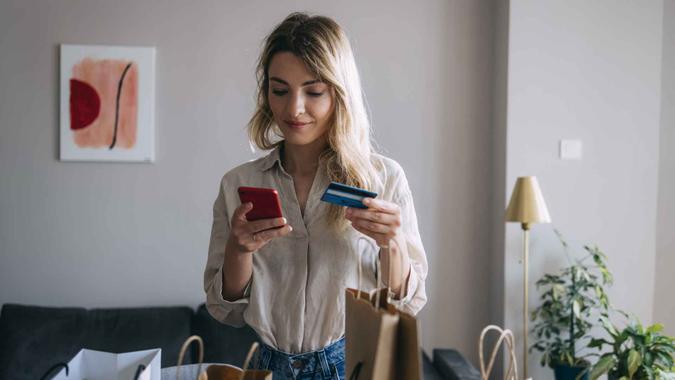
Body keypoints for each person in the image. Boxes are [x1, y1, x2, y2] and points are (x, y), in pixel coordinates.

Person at [204, 12, 428, 380]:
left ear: (339, 92)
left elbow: (408, 303)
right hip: (266, 368)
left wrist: (394, 244)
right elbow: (224, 309)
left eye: (313, 91)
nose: (294, 109)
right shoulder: (237, 184)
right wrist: (238, 250)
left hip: (351, 365)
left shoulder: (384, 178)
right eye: (280, 90)